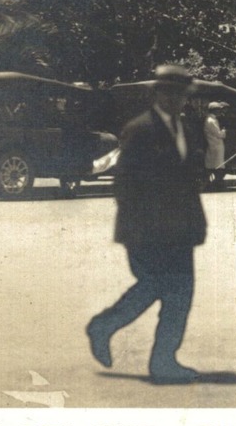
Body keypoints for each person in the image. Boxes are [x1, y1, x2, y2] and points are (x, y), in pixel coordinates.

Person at [86, 66, 207, 384]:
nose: (176, 100)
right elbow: (124, 184)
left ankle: (164, 361)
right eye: (169, 93)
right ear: (156, 94)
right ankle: (104, 326)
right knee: (158, 284)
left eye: (181, 94)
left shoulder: (188, 128)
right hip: (148, 229)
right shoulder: (139, 130)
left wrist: (197, 222)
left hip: (180, 228)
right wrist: (139, 228)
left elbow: (189, 180)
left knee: (180, 294)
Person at [202, 102, 227, 184]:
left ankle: (215, 183)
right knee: (217, 166)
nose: (220, 111)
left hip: (215, 145)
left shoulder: (213, 119)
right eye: (219, 110)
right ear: (214, 110)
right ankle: (216, 183)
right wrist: (224, 131)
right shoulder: (211, 121)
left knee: (215, 165)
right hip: (215, 146)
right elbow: (219, 134)